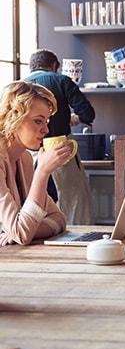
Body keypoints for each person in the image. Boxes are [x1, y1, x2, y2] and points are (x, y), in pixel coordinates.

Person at [24, 49, 95, 225]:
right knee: (75, 200)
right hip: (61, 151)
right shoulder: (61, 80)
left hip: (28, 155)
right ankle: (76, 239)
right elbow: (87, 113)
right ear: (54, 66)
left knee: (35, 202)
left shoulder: (20, 86)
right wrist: (75, 118)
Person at [0, 81, 68, 246]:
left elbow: (59, 219)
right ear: (13, 117)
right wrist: (42, 172)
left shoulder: (25, 158)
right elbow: (22, 234)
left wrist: (27, 230)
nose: (46, 130)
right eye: (38, 121)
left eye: (46, 121)